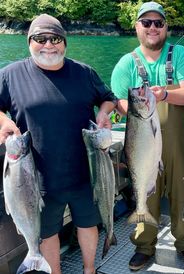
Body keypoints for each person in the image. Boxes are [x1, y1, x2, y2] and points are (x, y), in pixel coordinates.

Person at [0, 14, 117, 274]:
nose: (48, 45)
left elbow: (108, 98)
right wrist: (3, 122)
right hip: (36, 179)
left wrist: (104, 112)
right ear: (29, 42)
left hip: (87, 173)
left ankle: (90, 270)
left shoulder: (84, 72)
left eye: (55, 39)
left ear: (64, 42)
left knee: (88, 224)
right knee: (48, 232)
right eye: (40, 39)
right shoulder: (10, 75)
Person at [110, 1, 184, 271]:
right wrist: (141, 109)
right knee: (145, 191)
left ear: (165, 27)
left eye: (158, 23)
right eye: (146, 23)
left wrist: (164, 95)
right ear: (136, 27)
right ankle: (144, 245)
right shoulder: (126, 63)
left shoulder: (180, 54)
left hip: (178, 142)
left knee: (182, 192)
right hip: (142, 141)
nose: (152, 28)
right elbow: (119, 104)